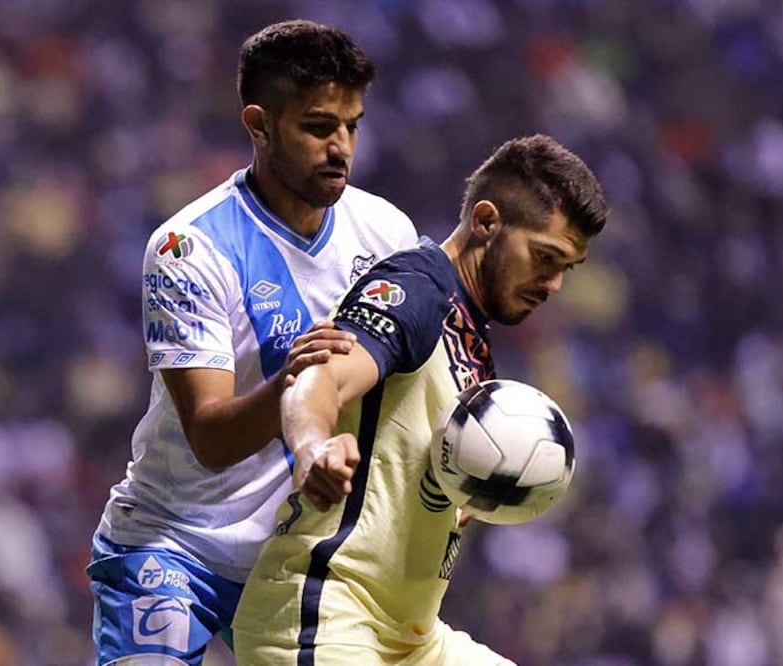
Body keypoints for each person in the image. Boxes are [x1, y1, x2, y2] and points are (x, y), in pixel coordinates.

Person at [86, 20, 419, 664]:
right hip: (174, 542)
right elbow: (211, 439)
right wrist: (296, 381)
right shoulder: (190, 248)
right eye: (318, 127)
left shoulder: (387, 234)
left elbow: (414, 386)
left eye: (352, 126)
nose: (341, 148)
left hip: (294, 559)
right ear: (259, 125)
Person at [231, 134, 609, 665]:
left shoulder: (472, 342)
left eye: (567, 268)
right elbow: (320, 375)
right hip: (328, 618)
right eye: (545, 258)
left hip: (410, 638)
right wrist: (313, 446)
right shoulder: (417, 290)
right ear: (486, 222)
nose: (554, 286)